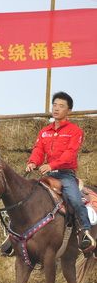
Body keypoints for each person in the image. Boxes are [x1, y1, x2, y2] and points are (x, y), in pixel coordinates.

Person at [25, 91, 95, 253]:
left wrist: (51, 165)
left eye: (61, 106)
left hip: (65, 174)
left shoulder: (75, 131)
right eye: (54, 105)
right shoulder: (44, 131)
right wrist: (33, 162)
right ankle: (15, 234)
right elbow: (38, 149)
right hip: (48, 175)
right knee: (27, 195)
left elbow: (70, 153)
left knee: (75, 200)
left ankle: (85, 231)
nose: (56, 108)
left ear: (69, 111)